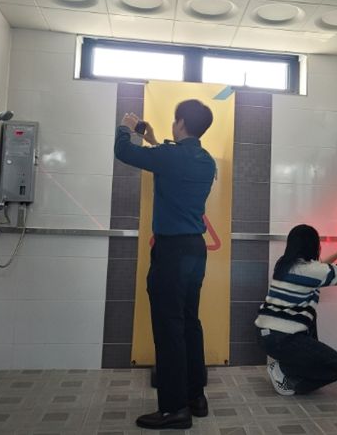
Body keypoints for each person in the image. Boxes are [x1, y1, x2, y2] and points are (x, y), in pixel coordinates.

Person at [114, 99, 215, 430]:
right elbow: (171, 164)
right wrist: (154, 140)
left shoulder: (170, 157)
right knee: (189, 323)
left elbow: (123, 152)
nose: (173, 124)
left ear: (181, 122)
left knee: (169, 328)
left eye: (175, 120)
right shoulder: (206, 160)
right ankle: (196, 397)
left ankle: (174, 409)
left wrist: (126, 127)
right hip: (195, 250)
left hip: (172, 252)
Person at [255, 224, 337, 396]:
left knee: (310, 316)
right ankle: (286, 372)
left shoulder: (283, 265)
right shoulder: (308, 270)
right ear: (313, 245)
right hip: (283, 339)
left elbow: (318, 270)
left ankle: (287, 369)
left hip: (265, 336)